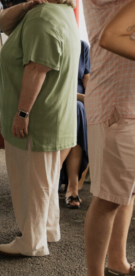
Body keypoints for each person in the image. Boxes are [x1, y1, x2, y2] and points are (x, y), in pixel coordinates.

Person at [0, 0, 80, 257]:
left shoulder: (42, 17)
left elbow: (36, 69)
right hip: (56, 115)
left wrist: (21, 113)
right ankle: (47, 229)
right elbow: (2, 22)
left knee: (32, 181)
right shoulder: (63, 14)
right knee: (44, 178)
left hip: (38, 116)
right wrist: (27, 4)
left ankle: (32, 241)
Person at [81, 0, 135, 276]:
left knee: (123, 192)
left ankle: (117, 261)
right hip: (117, 103)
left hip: (124, 99)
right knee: (107, 197)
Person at [60, 40, 90, 209]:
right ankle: (71, 186)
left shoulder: (82, 46)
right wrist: (82, 98)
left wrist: (93, 96)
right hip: (57, 95)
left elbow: (88, 79)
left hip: (79, 99)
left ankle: (70, 184)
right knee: (78, 109)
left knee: (79, 110)